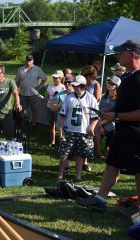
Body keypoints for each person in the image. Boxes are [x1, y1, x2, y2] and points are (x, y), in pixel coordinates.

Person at [76, 40, 140, 215]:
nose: (118, 55)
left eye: (121, 52)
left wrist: (117, 116)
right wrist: (110, 110)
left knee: (138, 171)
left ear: (132, 54)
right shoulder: (127, 76)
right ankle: (99, 200)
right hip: (122, 131)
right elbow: (125, 104)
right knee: (111, 165)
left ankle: (139, 208)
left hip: (135, 134)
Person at [57, 75, 99, 182]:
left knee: (80, 154)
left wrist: (91, 127)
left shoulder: (91, 98)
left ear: (83, 86)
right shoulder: (68, 97)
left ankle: (78, 176)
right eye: (73, 86)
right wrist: (61, 128)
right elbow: (62, 115)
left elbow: (95, 117)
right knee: (64, 153)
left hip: (83, 131)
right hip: (69, 130)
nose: (74, 88)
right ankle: (60, 175)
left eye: (77, 86)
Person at [50, 76, 75, 173]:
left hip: (74, 126)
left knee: (74, 147)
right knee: (65, 146)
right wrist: (62, 103)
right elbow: (53, 108)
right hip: (62, 125)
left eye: (70, 83)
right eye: (66, 83)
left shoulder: (77, 95)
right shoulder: (59, 95)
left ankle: (81, 165)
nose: (68, 85)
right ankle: (66, 166)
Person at [15, 55, 47, 128]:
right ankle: (23, 122)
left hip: (33, 93)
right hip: (23, 93)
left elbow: (44, 78)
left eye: (30, 60)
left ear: (33, 61)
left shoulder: (37, 69)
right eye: (27, 60)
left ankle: (34, 124)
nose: (28, 62)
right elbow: (17, 81)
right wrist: (16, 90)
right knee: (21, 109)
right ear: (25, 60)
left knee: (35, 109)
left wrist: (39, 86)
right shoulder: (20, 69)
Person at [81, 65, 102, 171]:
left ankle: (97, 152)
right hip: (83, 113)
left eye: (86, 75)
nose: (84, 76)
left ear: (91, 75)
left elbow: (97, 99)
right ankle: (84, 160)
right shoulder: (83, 84)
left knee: (94, 134)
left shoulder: (95, 84)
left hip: (92, 113)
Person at [46, 70, 65, 147]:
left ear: (60, 78)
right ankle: (53, 141)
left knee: (59, 126)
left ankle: (61, 142)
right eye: (54, 77)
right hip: (49, 107)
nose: (54, 79)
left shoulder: (63, 87)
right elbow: (47, 96)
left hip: (58, 109)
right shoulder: (50, 86)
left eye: (56, 78)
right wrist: (44, 97)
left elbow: (64, 99)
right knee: (51, 125)